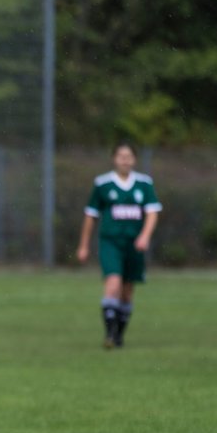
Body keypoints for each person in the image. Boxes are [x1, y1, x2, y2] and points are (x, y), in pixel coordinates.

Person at [75, 142, 162, 348]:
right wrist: (84, 245)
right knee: (113, 284)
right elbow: (90, 216)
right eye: (121, 156)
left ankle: (119, 335)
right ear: (114, 158)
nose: (125, 160)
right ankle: (110, 334)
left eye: (128, 156)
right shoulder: (103, 184)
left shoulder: (144, 183)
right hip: (110, 243)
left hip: (134, 245)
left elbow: (152, 213)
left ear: (134, 159)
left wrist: (145, 236)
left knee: (127, 291)